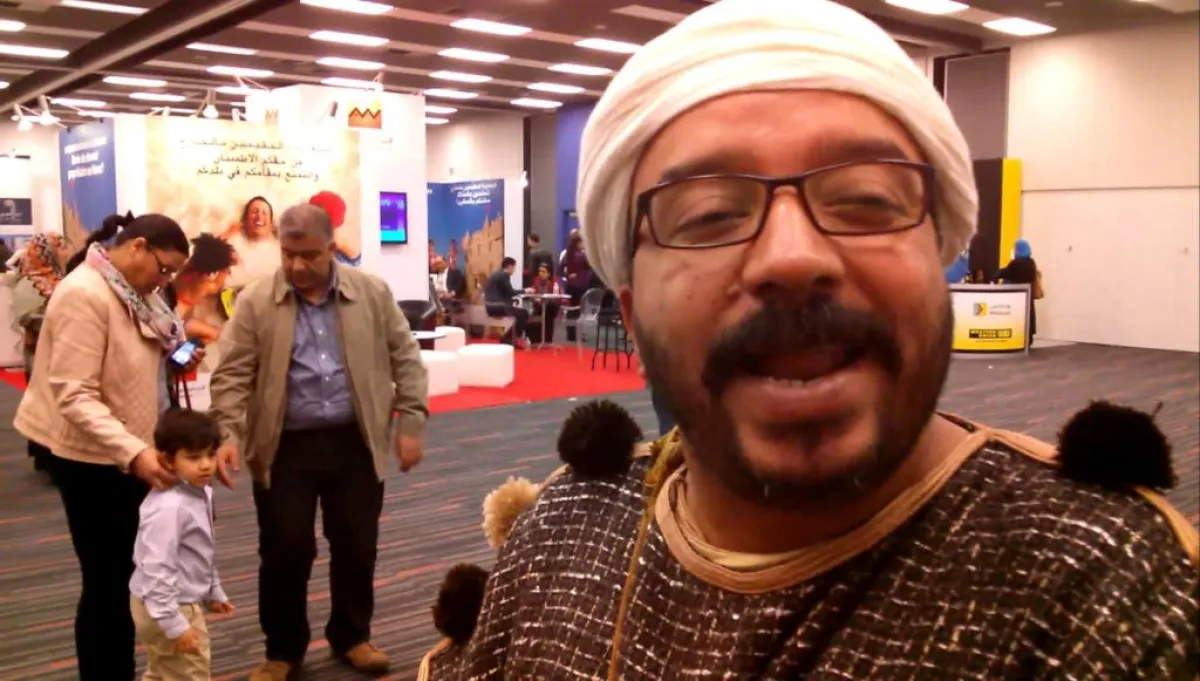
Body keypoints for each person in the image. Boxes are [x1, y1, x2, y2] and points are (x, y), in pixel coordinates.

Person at [431, 1, 1198, 678]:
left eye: (864, 200)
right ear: (632, 314)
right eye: (709, 214)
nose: (792, 257)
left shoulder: (1102, 586)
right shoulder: (565, 529)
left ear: (938, 265)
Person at [207, 204, 429, 680]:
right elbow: (231, 375)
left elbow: (406, 357)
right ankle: (283, 650)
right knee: (285, 549)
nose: (296, 265)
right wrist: (228, 433)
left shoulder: (371, 292)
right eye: (288, 254)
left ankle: (352, 636)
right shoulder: (256, 301)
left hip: (356, 441)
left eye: (308, 255)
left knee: (356, 545)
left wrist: (411, 421)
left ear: (331, 248)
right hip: (284, 447)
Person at [13, 212, 229, 681]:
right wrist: (133, 453)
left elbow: (134, 356)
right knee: (108, 582)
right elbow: (74, 394)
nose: (165, 280)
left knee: (136, 573)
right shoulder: (84, 294)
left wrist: (174, 359)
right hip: (93, 458)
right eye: (164, 268)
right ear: (138, 247)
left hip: (133, 445)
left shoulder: (136, 290)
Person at [129, 408, 234, 681]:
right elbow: (157, 567)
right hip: (169, 604)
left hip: (170, 599)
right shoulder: (169, 508)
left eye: (211, 455)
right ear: (167, 460)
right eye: (193, 457)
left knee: (165, 671)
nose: (206, 465)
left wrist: (213, 589)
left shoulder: (199, 493)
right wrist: (174, 623)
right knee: (190, 673)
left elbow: (200, 551)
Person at [8, 232, 71, 473]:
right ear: (47, 253)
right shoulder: (31, 282)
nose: (65, 252)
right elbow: (27, 317)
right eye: (60, 248)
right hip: (41, 354)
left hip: (57, 351)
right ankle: (46, 459)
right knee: (45, 404)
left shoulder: (57, 279)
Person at [170, 234, 236, 346]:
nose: (227, 273)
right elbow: (218, 286)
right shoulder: (208, 282)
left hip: (178, 309)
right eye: (226, 270)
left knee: (213, 333)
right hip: (178, 319)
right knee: (215, 334)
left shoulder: (190, 265)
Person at [221, 196, 279, 291]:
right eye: (254, 212)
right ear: (244, 220)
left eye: (265, 213)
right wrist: (227, 234)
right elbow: (204, 257)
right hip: (231, 295)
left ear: (271, 224)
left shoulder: (279, 250)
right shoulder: (232, 241)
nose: (259, 216)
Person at [995, 238, 1041, 345]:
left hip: (1016, 296)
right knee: (1028, 317)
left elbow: (1004, 273)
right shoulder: (1031, 262)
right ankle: (1028, 339)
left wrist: (996, 274)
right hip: (1028, 295)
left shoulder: (1016, 263)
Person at [483, 256, 528, 347]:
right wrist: (525, 291)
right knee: (524, 314)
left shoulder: (496, 273)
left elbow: (505, 293)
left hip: (490, 306)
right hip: (498, 306)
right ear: (509, 266)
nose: (514, 270)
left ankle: (508, 338)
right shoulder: (504, 275)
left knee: (519, 313)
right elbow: (510, 292)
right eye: (514, 267)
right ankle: (509, 339)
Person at [526, 263, 563, 344]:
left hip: (551, 307)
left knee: (549, 308)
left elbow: (556, 297)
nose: (540, 273)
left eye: (543, 271)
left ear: (548, 274)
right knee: (530, 318)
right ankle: (538, 340)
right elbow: (532, 294)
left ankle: (547, 340)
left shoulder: (554, 282)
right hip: (538, 307)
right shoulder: (536, 280)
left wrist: (544, 300)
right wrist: (535, 299)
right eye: (540, 271)